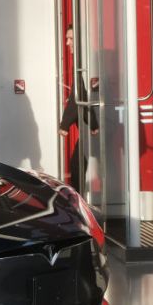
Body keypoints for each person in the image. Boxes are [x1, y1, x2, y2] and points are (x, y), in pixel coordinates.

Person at [59, 25, 98, 191]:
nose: (67, 43)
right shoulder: (84, 61)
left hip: (99, 122)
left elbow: (78, 96)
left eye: (71, 39)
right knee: (78, 165)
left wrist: (64, 124)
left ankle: (79, 204)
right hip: (94, 124)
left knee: (77, 166)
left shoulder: (83, 64)